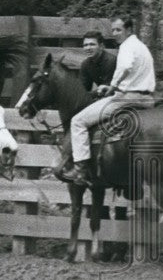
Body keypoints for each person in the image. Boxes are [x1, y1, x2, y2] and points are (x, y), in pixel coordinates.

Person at [61, 16, 156, 186]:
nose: (115, 34)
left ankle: (80, 169)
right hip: (147, 98)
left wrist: (112, 87)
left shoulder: (126, 47)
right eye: (113, 30)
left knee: (77, 121)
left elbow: (125, 67)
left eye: (118, 30)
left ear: (129, 30)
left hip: (126, 98)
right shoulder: (141, 47)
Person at [52, 30, 117, 181]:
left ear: (101, 46)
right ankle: (80, 164)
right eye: (85, 45)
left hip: (114, 99)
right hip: (100, 98)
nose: (88, 47)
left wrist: (98, 92)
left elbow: (111, 86)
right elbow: (84, 89)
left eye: (92, 44)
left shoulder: (111, 61)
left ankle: (83, 166)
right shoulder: (86, 64)